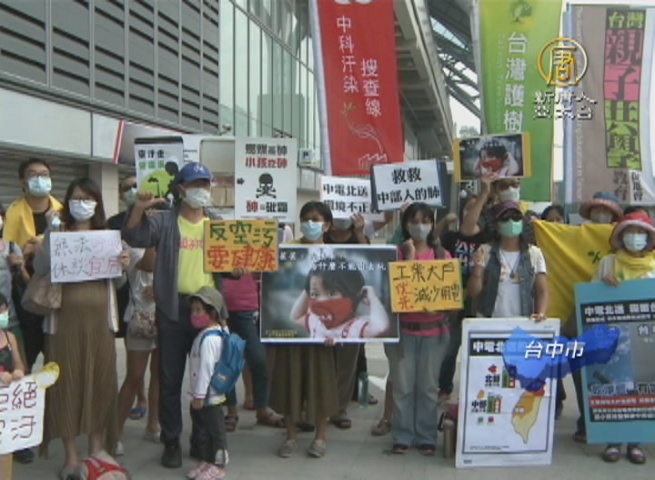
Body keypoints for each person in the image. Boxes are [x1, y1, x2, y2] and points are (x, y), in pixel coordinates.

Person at [122, 162, 241, 469]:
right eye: (195, 184)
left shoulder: (217, 223)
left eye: (205, 184)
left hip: (208, 311)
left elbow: (229, 268)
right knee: (170, 378)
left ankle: (201, 438)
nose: (201, 190)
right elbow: (134, 236)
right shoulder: (164, 221)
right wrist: (139, 208)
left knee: (206, 379)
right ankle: (171, 440)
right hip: (174, 310)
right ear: (181, 189)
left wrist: (238, 267)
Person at [33, 177, 128, 479]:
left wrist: (123, 263)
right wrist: (52, 233)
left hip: (100, 325)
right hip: (63, 326)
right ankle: (71, 456)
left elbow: (119, 282)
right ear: (67, 201)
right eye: (75, 198)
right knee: (66, 386)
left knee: (99, 383)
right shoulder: (59, 232)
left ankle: (96, 451)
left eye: (87, 198)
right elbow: (39, 268)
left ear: (96, 203)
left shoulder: (107, 236)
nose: (81, 204)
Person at [271, 201, 339, 459]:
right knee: (289, 381)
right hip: (292, 334)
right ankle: (291, 436)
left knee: (321, 383)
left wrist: (336, 331)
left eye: (316, 219)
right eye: (306, 219)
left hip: (323, 335)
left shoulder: (335, 255)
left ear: (327, 225)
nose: (310, 224)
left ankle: (320, 437)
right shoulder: (287, 251)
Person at [385, 202, 452, 455]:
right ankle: (402, 435)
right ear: (405, 225)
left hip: (434, 332)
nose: (420, 226)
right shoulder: (396, 253)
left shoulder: (441, 255)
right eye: (414, 221)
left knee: (428, 387)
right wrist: (410, 257)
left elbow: (450, 295)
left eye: (425, 221)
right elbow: (394, 292)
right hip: (403, 330)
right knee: (402, 386)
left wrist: (440, 309)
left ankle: (426, 436)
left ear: (432, 225)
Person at [592, 211, 652, 465]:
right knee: (615, 388)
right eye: (630, 232)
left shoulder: (653, 266)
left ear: (648, 238)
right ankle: (613, 442)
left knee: (640, 388)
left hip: (645, 341)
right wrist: (602, 286)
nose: (634, 237)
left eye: (640, 232)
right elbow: (591, 299)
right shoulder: (608, 263)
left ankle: (636, 443)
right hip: (614, 339)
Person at [324, 213, 373, 429]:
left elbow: (371, 260)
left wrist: (360, 233)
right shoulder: (322, 238)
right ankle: (325, 404)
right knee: (327, 360)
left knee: (355, 362)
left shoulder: (358, 238)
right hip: (327, 311)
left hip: (351, 310)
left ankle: (358, 397)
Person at [221, 270, 284, 432]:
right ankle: (231, 410)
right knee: (226, 361)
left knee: (259, 359)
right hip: (223, 302)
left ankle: (261, 408)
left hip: (252, 303)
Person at [108, 175, 149, 420]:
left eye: (137, 185)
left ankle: (148, 408)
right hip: (124, 294)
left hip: (156, 299)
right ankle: (139, 397)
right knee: (134, 357)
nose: (133, 190)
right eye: (127, 188)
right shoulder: (113, 223)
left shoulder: (159, 218)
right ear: (120, 194)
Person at [438, 194, 485, 401]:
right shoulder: (451, 238)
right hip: (452, 303)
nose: (471, 212)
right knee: (449, 350)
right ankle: (444, 387)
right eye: (468, 208)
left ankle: (475, 392)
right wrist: (442, 223)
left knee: (476, 352)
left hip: (477, 304)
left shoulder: (486, 239)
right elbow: (433, 243)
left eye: (476, 208)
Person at [467, 201, 549, 320]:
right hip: (489, 323)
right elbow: (473, 292)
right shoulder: (485, 251)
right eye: (505, 218)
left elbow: (542, 291)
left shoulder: (534, 253)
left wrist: (541, 313)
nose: (511, 222)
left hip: (523, 323)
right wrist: (477, 271)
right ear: (497, 224)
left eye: (516, 217)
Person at [116, 246, 160, 455]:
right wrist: (155, 239)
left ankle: (153, 425)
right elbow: (148, 265)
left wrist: (163, 288)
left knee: (159, 374)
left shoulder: (170, 241)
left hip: (163, 316)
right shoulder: (130, 245)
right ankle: (115, 432)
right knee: (134, 376)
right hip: (139, 318)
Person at [186, 287, 230, 480]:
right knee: (203, 428)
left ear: (212, 313)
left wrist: (199, 395)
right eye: (193, 310)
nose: (194, 314)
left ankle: (218, 464)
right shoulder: (208, 334)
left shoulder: (210, 339)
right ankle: (207, 460)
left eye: (198, 310)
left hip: (209, 396)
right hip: (205, 395)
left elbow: (206, 370)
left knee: (215, 430)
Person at [4, 158, 62, 248]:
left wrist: (42, 243)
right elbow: (7, 247)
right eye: (33, 175)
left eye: (44, 174)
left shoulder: (62, 210)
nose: (40, 179)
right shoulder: (13, 213)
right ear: (23, 183)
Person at [0, 292, 26, 384]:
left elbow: (18, 363)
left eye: (4, 310)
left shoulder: (10, 338)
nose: (2, 314)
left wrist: (19, 371)